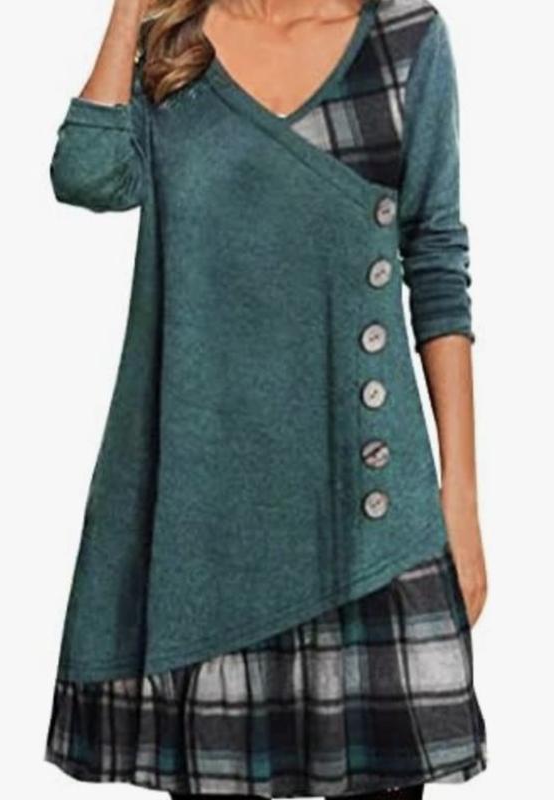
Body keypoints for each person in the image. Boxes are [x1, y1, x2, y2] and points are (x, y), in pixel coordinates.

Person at [43, 1, 488, 798]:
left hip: (365, 514)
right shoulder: (175, 46)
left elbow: (434, 256)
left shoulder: (403, 38)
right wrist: (130, 9)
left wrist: (460, 500)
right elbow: (87, 174)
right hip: (207, 525)